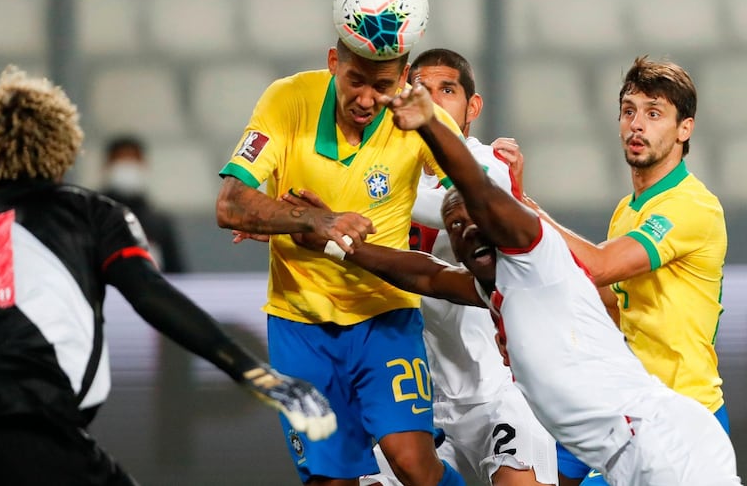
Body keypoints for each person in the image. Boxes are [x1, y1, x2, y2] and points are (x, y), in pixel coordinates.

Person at [283, 81, 741, 485]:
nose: (468, 232)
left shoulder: (533, 252)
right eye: (455, 228)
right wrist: (333, 240)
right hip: (623, 444)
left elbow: (486, 196)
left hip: (659, 442)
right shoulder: (494, 287)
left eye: (475, 220)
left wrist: (432, 126)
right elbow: (426, 274)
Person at [0, 66, 336, 485]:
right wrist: (253, 371)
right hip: (37, 432)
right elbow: (151, 295)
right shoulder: (94, 215)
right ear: (62, 143)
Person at [216, 28, 468, 486]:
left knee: (412, 462)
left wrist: (465, 214)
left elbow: (473, 192)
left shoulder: (418, 118)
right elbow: (231, 203)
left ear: (404, 78)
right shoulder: (288, 100)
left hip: (384, 314)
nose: (367, 99)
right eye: (356, 80)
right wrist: (311, 220)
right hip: (299, 322)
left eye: (383, 86)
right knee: (330, 481)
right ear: (334, 61)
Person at [519, 56, 730, 485]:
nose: (638, 124)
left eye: (654, 114)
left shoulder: (692, 206)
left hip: (684, 419)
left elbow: (598, 267)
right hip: (629, 410)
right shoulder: (627, 212)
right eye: (629, 111)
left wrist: (520, 208)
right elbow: (613, 301)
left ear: (684, 130)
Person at [362, 49, 556, 486]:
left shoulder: (488, 166)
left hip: (501, 391)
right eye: (421, 90)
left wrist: (363, 197)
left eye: (446, 90)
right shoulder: (384, 171)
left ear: (473, 107)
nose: (432, 101)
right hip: (423, 399)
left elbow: (463, 202)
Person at [100, 134, 185, 274]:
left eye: (133, 159)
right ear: (107, 165)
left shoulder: (159, 224)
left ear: (143, 165)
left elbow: (178, 276)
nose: (127, 166)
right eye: (121, 159)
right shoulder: (91, 217)